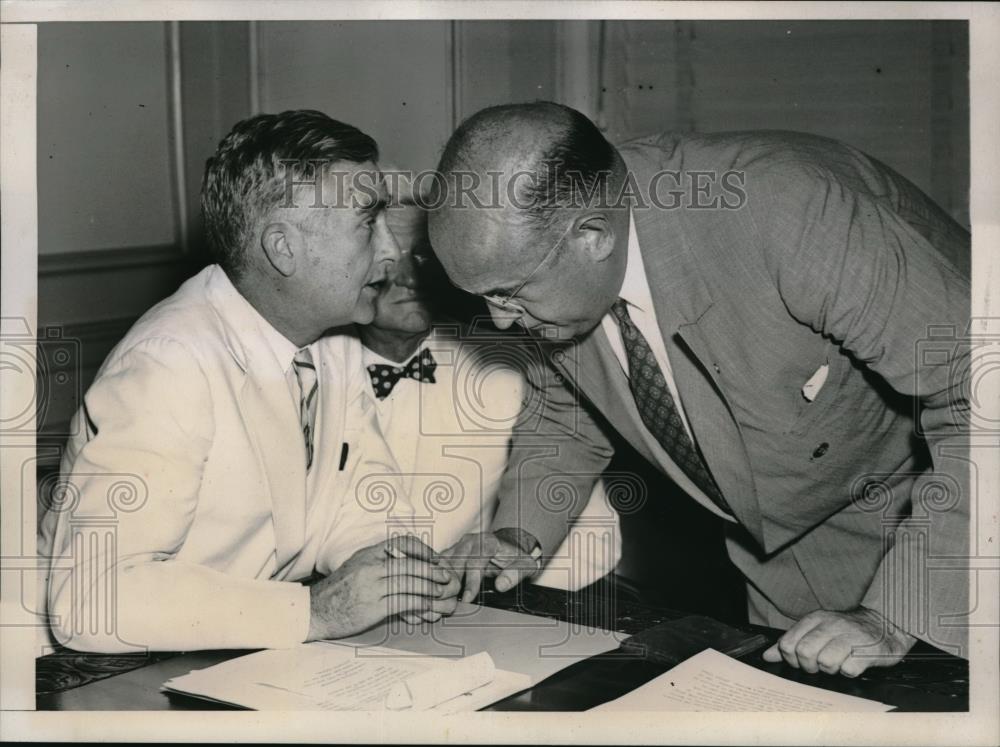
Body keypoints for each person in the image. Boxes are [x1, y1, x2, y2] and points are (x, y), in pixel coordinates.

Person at [427, 102, 970, 677]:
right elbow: (569, 410)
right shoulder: (557, 274)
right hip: (785, 563)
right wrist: (516, 535)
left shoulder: (787, 210)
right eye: (481, 296)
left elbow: (978, 395)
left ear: (592, 236)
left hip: (950, 534)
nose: (500, 321)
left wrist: (897, 613)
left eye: (508, 294)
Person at [41, 110, 459, 654]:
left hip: (239, 659)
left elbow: (355, 497)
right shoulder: (169, 363)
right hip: (99, 671)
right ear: (282, 248)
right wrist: (317, 610)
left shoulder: (330, 337)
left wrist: (396, 568)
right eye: (367, 222)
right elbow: (89, 602)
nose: (391, 250)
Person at [322, 193, 620, 609]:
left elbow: (583, 519)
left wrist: (509, 568)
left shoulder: (520, 361)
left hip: (503, 604)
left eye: (422, 258)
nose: (410, 279)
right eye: (388, 260)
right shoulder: (313, 370)